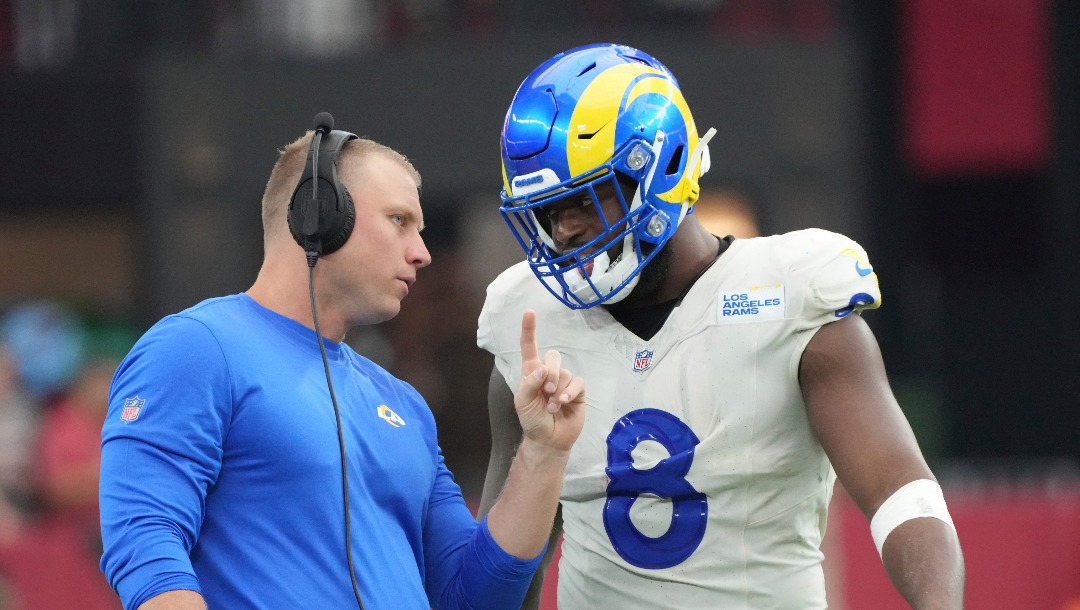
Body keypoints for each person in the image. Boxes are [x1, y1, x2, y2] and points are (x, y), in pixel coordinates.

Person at [477, 44, 965, 609]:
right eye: (550, 213)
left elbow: (899, 494)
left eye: (589, 198)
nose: (566, 232)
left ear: (659, 169)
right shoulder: (532, 329)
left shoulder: (790, 298)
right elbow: (509, 565)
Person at [99, 115, 586, 610]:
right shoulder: (196, 348)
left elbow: (477, 598)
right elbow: (145, 545)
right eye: (399, 221)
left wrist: (543, 453)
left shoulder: (405, 406)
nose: (422, 253)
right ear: (318, 216)